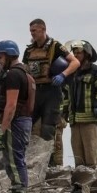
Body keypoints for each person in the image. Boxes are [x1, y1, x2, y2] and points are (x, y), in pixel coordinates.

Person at [24, 19, 79, 166]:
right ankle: (30, 162)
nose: (32, 33)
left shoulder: (55, 46)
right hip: (35, 91)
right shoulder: (29, 50)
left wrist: (63, 75)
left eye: (34, 30)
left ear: (43, 29)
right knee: (28, 126)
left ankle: (50, 165)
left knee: (48, 129)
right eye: (30, 31)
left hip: (51, 91)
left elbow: (75, 62)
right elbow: (25, 69)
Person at [0, 40, 35, 193]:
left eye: (0, 57)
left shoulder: (13, 75)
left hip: (15, 122)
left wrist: (3, 129)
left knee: (14, 163)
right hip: (24, 120)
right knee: (18, 161)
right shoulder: (26, 73)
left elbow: (10, 105)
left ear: (9, 55)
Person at [64, 40, 97, 167]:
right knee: (78, 155)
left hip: (90, 119)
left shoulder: (96, 71)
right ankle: (81, 177)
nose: (76, 55)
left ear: (87, 54)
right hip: (75, 120)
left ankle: (94, 178)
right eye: (74, 52)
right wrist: (65, 111)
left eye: (79, 52)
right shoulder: (71, 73)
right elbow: (66, 94)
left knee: (91, 153)